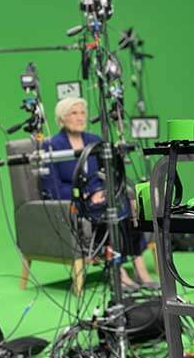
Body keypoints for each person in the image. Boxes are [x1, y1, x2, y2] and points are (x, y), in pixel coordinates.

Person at [40, 97, 156, 289]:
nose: (80, 117)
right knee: (113, 209)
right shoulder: (52, 145)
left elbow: (109, 174)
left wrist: (103, 190)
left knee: (123, 205)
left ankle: (138, 266)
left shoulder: (94, 141)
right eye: (74, 113)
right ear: (62, 118)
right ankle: (119, 270)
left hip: (101, 196)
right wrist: (86, 195)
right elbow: (52, 187)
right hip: (76, 201)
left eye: (83, 113)